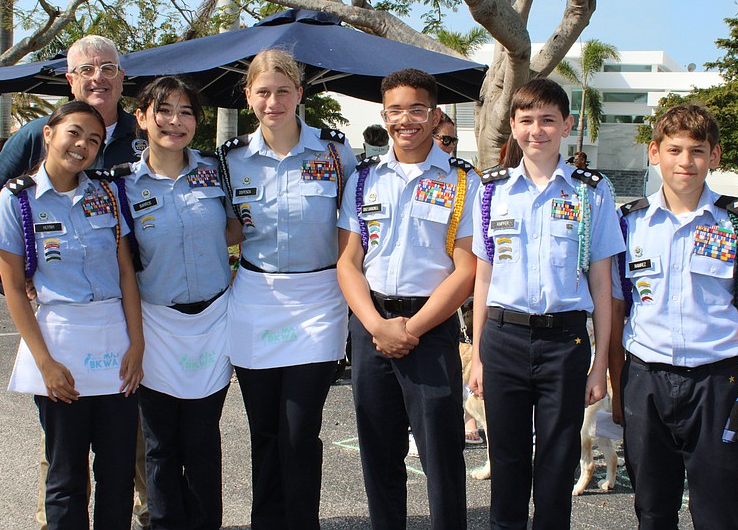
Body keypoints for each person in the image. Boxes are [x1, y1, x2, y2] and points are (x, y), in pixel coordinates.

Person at [0, 34, 151, 530]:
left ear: (122, 76)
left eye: (109, 68)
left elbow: (124, 269)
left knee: (120, 459)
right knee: (66, 468)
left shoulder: (117, 171)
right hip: (58, 335)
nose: (84, 145)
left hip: (117, 330)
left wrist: (136, 341)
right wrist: (20, 269)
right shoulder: (21, 192)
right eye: (74, 134)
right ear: (49, 132)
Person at [609, 104, 738, 529]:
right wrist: (619, 389)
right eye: (674, 150)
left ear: (715, 156)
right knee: (651, 508)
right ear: (654, 152)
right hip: (644, 382)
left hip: (715, 385)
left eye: (698, 151)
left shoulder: (737, 223)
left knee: (719, 510)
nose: (685, 161)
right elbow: (615, 311)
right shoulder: (628, 223)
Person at [469, 78, 624, 529]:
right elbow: (483, 278)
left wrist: (599, 367)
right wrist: (478, 354)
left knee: (557, 465)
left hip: (564, 341)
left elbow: (602, 284)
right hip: (503, 338)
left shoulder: (591, 192)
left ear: (566, 124)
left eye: (548, 121)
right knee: (508, 460)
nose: (537, 130)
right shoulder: (492, 191)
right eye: (526, 121)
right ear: (513, 127)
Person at [217, 48, 356, 530]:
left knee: (299, 431)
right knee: (265, 431)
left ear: (300, 93)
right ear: (249, 96)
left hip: (319, 300)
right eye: (262, 92)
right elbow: (225, 228)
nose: (272, 101)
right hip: (256, 298)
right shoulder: (231, 159)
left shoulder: (336, 152)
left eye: (282, 91)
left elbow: (355, 229)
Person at [337, 68, 480, 530]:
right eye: (395, 111)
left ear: (435, 114)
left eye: (417, 110)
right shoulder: (364, 179)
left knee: (441, 457)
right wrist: (378, 327)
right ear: (384, 114)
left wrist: (411, 328)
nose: (406, 120)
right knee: (379, 455)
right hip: (371, 327)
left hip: (430, 329)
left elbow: (468, 269)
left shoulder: (463, 181)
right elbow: (348, 262)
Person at [119, 76, 238, 529]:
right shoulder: (121, 187)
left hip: (212, 319)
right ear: (142, 118)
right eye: (164, 110)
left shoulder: (216, 170)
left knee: (204, 442)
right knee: (160, 444)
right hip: (156, 325)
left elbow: (237, 228)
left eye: (186, 112)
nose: (175, 121)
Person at [0, 34, 141, 250]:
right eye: (86, 70)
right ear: (71, 80)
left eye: (108, 69)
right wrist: (14, 275)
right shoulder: (37, 134)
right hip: (59, 279)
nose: (98, 77)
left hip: (134, 278)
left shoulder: (144, 134)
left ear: (120, 78)